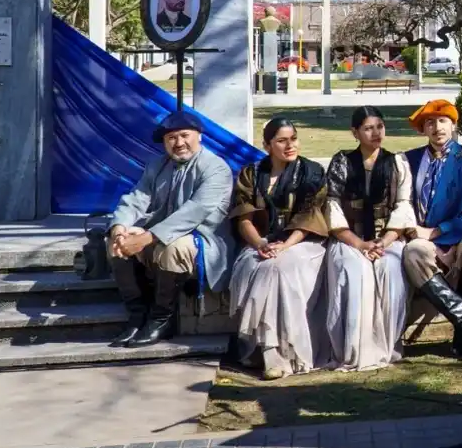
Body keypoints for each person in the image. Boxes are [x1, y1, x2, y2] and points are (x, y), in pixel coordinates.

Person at [106, 111, 235, 347]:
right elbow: (137, 198)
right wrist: (119, 226)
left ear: (199, 136)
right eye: (171, 138)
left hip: (204, 239)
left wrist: (146, 237)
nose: (179, 143)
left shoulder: (216, 168)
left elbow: (194, 212)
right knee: (115, 243)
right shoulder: (158, 165)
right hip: (160, 233)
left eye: (184, 135)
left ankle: (162, 319)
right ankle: (137, 315)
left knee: (172, 247)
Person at [228, 118, 333, 380]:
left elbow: (310, 218)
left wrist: (284, 245)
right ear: (267, 145)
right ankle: (265, 350)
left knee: (277, 269)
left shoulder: (312, 173)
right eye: (281, 141)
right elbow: (243, 219)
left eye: (293, 139)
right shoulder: (251, 174)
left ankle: (276, 352)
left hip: (304, 243)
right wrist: (261, 244)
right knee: (260, 265)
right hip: (261, 244)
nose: (290, 145)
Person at [323, 106, 416, 371]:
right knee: (355, 272)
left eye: (380, 126)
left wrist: (384, 241)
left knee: (391, 273)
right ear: (355, 132)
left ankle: (387, 347)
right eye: (368, 128)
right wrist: (359, 244)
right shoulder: (342, 161)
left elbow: (402, 205)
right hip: (349, 239)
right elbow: (332, 206)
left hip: (387, 239)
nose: (376, 133)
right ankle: (353, 350)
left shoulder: (396, 162)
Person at [402, 99, 462, 361]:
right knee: (414, 251)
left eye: (443, 121)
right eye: (430, 122)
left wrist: (438, 232)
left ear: (453, 125)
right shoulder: (409, 160)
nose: (437, 127)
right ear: (422, 129)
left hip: (460, 237)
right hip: (423, 239)